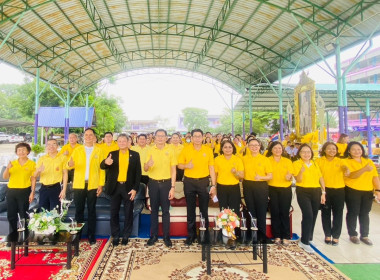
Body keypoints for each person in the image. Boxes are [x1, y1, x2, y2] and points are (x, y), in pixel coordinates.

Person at [100, 134, 141, 246]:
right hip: (115, 187)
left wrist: (135, 189)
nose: (122, 143)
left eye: (124, 141)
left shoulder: (135, 155)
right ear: (117, 142)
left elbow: (138, 174)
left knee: (128, 213)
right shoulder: (112, 154)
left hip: (128, 188)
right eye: (120, 141)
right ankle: (116, 235)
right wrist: (105, 162)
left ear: (129, 142)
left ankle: (126, 235)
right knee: (114, 212)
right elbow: (102, 166)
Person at [178, 129, 216, 246]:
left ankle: (204, 235)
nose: (197, 138)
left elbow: (212, 168)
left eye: (199, 136)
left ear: (203, 137)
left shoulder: (208, 150)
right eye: (195, 136)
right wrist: (187, 166)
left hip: (203, 182)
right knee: (190, 209)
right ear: (192, 137)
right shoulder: (186, 149)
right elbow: (179, 165)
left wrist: (213, 185)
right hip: (189, 182)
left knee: (204, 209)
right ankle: (191, 235)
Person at [67, 128, 105, 245]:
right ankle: (78, 235)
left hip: (93, 184)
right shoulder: (77, 150)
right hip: (79, 184)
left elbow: (102, 169)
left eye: (91, 135)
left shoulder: (99, 151)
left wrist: (101, 185)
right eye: (86, 135)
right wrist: (70, 164)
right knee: (79, 210)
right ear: (83, 137)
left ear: (94, 137)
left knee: (91, 210)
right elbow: (69, 165)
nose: (88, 137)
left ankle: (91, 235)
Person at [343, 141, 380, 246]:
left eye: (359, 149)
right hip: (352, 190)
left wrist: (378, 190)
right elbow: (351, 175)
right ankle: (352, 234)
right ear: (349, 151)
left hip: (367, 191)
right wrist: (364, 169)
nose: (357, 151)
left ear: (362, 150)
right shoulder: (346, 162)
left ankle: (364, 235)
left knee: (365, 213)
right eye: (354, 149)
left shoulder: (368, 161)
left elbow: (375, 177)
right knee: (353, 212)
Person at [144, 129, 176, 247]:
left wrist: (173, 187)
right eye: (158, 136)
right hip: (153, 183)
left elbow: (173, 170)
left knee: (166, 211)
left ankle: (167, 237)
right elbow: (146, 169)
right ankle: (154, 236)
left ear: (166, 137)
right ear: (154, 137)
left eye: (163, 136)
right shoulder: (150, 149)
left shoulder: (171, 149)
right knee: (154, 211)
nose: (160, 138)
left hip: (166, 183)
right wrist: (148, 165)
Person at [293, 144, 326, 253]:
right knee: (308, 215)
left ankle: (309, 237)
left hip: (316, 191)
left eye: (308, 152)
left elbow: (320, 178)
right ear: (300, 153)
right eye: (303, 152)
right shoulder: (297, 164)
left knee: (314, 215)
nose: (306, 154)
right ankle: (304, 241)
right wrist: (301, 171)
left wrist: (323, 192)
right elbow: (298, 180)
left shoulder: (315, 163)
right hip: (303, 191)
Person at [316, 142, 348, 246]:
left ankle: (336, 236)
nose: (332, 151)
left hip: (339, 190)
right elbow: (317, 175)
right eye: (329, 149)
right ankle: (327, 234)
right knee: (325, 213)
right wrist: (322, 191)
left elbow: (345, 168)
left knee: (338, 213)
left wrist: (346, 170)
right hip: (325, 190)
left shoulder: (340, 161)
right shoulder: (319, 161)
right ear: (324, 150)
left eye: (334, 149)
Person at [242, 138, 273, 241]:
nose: (254, 147)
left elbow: (270, 176)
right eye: (251, 145)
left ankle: (262, 235)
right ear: (248, 147)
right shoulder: (244, 158)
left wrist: (261, 177)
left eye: (256, 145)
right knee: (251, 211)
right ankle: (252, 235)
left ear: (260, 147)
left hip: (261, 186)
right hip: (248, 186)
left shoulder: (265, 159)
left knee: (261, 211)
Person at [3, 143, 36, 235]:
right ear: (16, 152)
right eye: (19, 150)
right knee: (11, 214)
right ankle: (13, 235)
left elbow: (33, 179)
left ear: (28, 151)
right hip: (11, 191)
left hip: (24, 191)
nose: (21, 152)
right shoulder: (12, 163)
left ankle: (24, 235)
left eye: (23, 150)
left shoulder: (32, 164)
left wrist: (32, 192)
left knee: (23, 214)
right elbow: (5, 177)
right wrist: (7, 168)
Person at [266, 141, 294, 246]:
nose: (278, 150)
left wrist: (289, 177)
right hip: (271, 188)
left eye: (279, 148)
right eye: (275, 148)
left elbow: (291, 174)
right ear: (271, 150)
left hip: (285, 189)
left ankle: (286, 236)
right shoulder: (267, 160)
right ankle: (277, 235)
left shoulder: (287, 161)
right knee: (275, 212)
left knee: (284, 212)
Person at [34, 139, 68, 211]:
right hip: (44, 188)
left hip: (56, 188)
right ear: (46, 147)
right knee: (42, 212)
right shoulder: (42, 158)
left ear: (57, 146)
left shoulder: (63, 157)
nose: (51, 146)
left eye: (54, 144)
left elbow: (65, 174)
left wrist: (64, 189)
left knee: (55, 212)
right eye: (49, 144)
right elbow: (34, 175)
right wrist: (38, 171)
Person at [214, 140, 244, 215]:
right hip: (221, 187)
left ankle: (234, 227)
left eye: (230, 147)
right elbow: (215, 175)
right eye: (225, 147)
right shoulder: (217, 159)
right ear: (222, 149)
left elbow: (241, 177)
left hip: (234, 188)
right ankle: (224, 226)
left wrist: (235, 173)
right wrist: (214, 187)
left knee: (234, 210)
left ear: (233, 148)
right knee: (223, 209)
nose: (228, 149)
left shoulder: (237, 159)